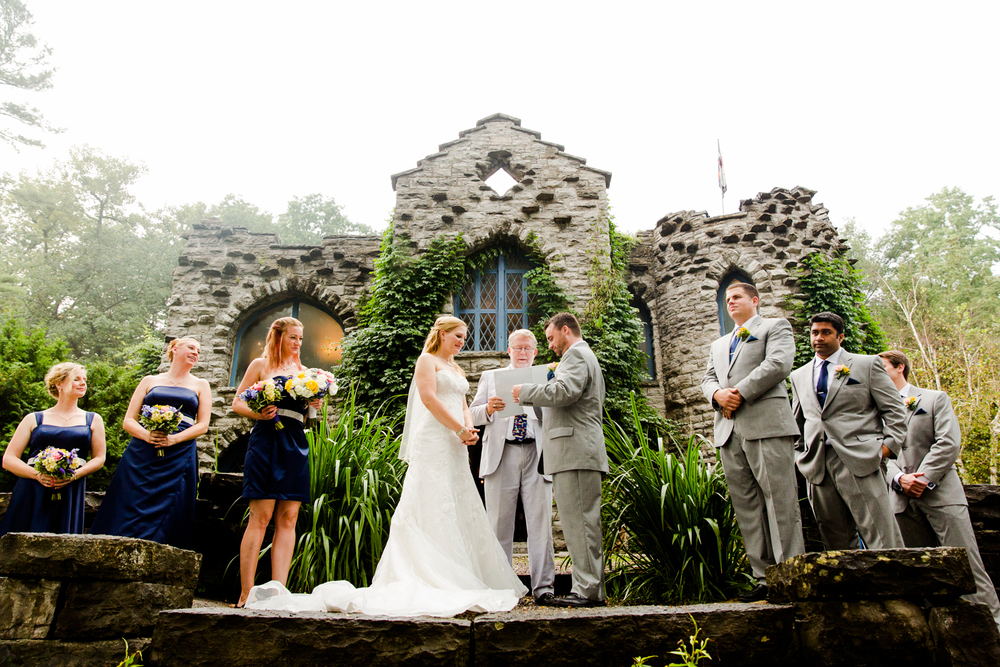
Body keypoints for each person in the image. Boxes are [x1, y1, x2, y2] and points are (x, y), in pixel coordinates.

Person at [245, 316, 527, 615]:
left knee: (458, 503)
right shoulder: (426, 361)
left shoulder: (456, 368)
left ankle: (461, 571)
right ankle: (427, 573)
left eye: (464, 337)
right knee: (429, 501)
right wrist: (459, 429)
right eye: (457, 335)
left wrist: (469, 429)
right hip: (434, 438)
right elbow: (430, 400)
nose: (461, 341)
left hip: (454, 444)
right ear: (441, 334)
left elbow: (461, 402)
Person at [879, 350, 1000, 628]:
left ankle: (994, 629)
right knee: (922, 571)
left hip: (941, 494)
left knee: (968, 565)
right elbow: (877, 453)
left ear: (900, 367)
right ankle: (944, 633)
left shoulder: (934, 399)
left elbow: (948, 442)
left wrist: (924, 478)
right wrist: (898, 479)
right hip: (900, 501)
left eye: (882, 368)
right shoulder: (875, 411)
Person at [700, 282, 804, 602]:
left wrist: (738, 394)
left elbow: (777, 365)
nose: (730, 302)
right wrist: (717, 395)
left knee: (779, 501)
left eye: (737, 297)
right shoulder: (719, 344)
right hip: (729, 431)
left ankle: (790, 576)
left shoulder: (775, 327)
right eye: (727, 299)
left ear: (754, 301)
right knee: (747, 507)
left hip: (767, 425)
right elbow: (707, 379)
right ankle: (763, 577)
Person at [512, 312, 607, 608]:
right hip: (572, 450)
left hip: (575, 450)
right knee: (579, 522)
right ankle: (586, 587)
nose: (550, 345)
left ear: (566, 330)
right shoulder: (577, 356)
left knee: (582, 523)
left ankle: (588, 591)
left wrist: (525, 392)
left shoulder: (577, 356)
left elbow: (565, 391)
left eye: (552, 338)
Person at [789, 312, 905, 550]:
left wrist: (884, 450)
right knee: (836, 543)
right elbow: (797, 423)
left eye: (826, 332)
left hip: (862, 460)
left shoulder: (866, 364)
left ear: (840, 336)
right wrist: (799, 457)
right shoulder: (798, 375)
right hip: (818, 466)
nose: (818, 338)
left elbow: (895, 412)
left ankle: (896, 585)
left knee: (882, 537)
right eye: (814, 333)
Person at [234, 317, 322, 608]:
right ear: (279, 337)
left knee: (289, 518)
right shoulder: (260, 366)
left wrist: (314, 406)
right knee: (260, 516)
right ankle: (246, 592)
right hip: (265, 439)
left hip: (295, 441)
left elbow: (311, 419)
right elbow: (237, 402)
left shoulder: (305, 372)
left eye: (300, 338)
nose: (297, 343)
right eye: (293, 337)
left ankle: (277, 593)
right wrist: (259, 414)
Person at [91, 338, 211, 549]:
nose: (196, 353)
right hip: (142, 450)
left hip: (179, 452)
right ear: (174, 349)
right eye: (191, 348)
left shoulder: (201, 385)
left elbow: (202, 425)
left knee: (174, 503)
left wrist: (173, 439)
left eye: (199, 351)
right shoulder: (149, 381)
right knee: (130, 497)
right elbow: (128, 420)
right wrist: (147, 436)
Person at [470, 328, 556, 606]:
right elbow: (471, 413)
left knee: (540, 523)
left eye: (527, 349)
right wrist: (489, 410)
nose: (522, 353)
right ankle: (500, 586)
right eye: (517, 348)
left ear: (535, 352)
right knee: (498, 524)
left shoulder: (546, 377)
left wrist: (536, 400)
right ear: (508, 350)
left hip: (537, 453)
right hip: (501, 453)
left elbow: (554, 416)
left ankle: (543, 587)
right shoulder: (490, 377)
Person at [0, 363, 106, 538]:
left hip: (70, 489)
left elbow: (99, 458)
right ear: (59, 384)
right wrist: (37, 475)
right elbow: (9, 459)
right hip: (32, 489)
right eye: (76, 379)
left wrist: (73, 476)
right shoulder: (34, 419)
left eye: (85, 380)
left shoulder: (93, 419)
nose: (83, 383)